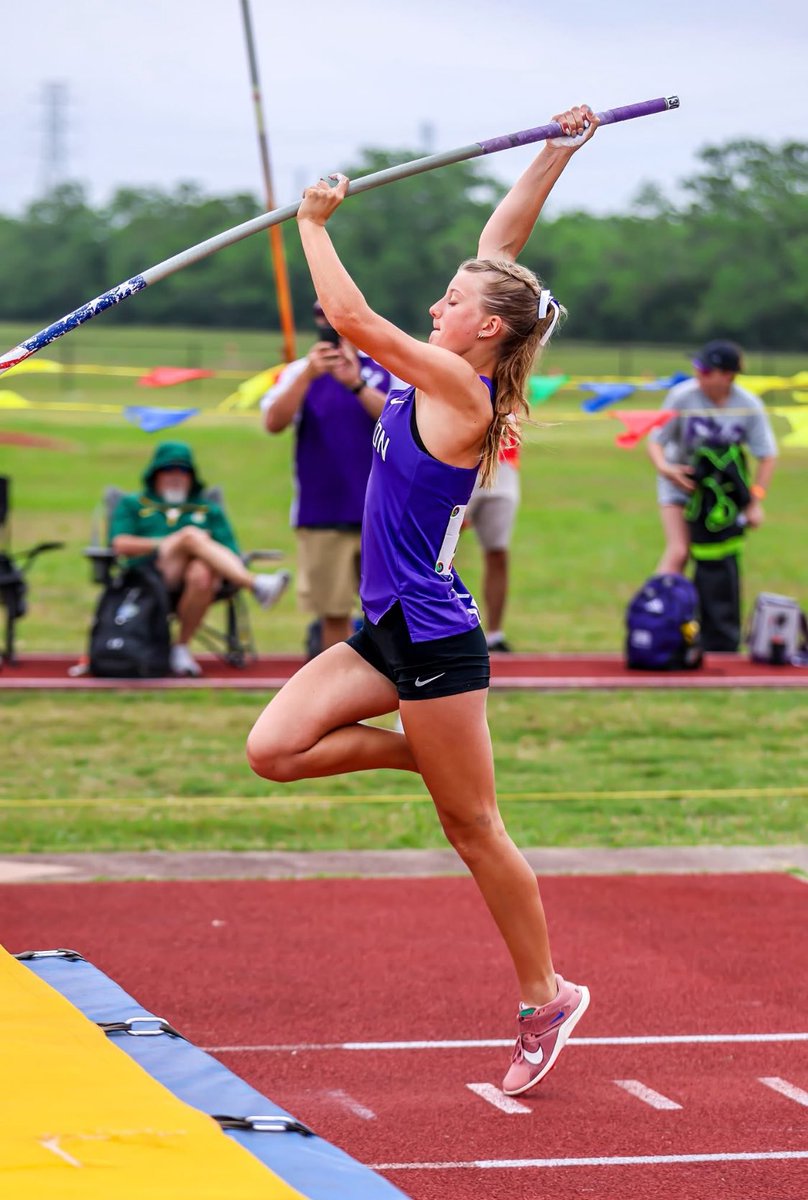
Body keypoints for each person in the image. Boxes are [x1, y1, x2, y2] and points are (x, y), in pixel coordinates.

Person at [247, 104, 598, 1097]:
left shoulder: (456, 388)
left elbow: (354, 322)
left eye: (451, 301)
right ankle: (444, 765)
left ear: (483, 330)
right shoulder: (463, 350)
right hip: (383, 634)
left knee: (474, 830)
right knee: (273, 751)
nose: (437, 305)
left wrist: (313, 227)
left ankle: (546, 996)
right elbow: (501, 246)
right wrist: (553, 153)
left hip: (437, 642)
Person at [260, 300, 390, 653]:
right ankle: (344, 693)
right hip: (322, 510)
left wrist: (357, 385)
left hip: (380, 510)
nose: (327, 322)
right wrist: (306, 376)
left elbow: (404, 423)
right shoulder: (299, 372)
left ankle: (393, 682)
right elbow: (273, 423)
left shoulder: (384, 368)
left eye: (334, 314)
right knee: (333, 613)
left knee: (393, 611)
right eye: (320, 315)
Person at [109, 440, 291, 677]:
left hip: (202, 582)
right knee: (191, 536)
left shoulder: (207, 509)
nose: (176, 476)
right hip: (150, 574)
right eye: (168, 470)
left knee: (202, 573)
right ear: (155, 472)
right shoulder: (133, 503)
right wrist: (171, 542)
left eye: (183, 470)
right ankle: (255, 584)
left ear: (192, 475)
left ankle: (181, 647)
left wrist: (195, 549)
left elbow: (230, 551)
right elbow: (119, 544)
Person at [647, 340, 778, 573]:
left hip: (720, 492)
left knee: (716, 556)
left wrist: (753, 501)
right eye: (697, 367)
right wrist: (664, 467)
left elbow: (767, 455)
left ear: (728, 376)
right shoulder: (682, 396)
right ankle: (656, 607)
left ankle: (708, 608)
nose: (698, 374)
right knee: (679, 551)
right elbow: (656, 440)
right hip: (680, 483)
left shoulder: (748, 404)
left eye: (706, 370)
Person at [464, 437, 521, 652]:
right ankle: (436, 630)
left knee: (498, 552)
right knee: (438, 554)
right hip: (460, 463)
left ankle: (495, 635)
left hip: (504, 465)